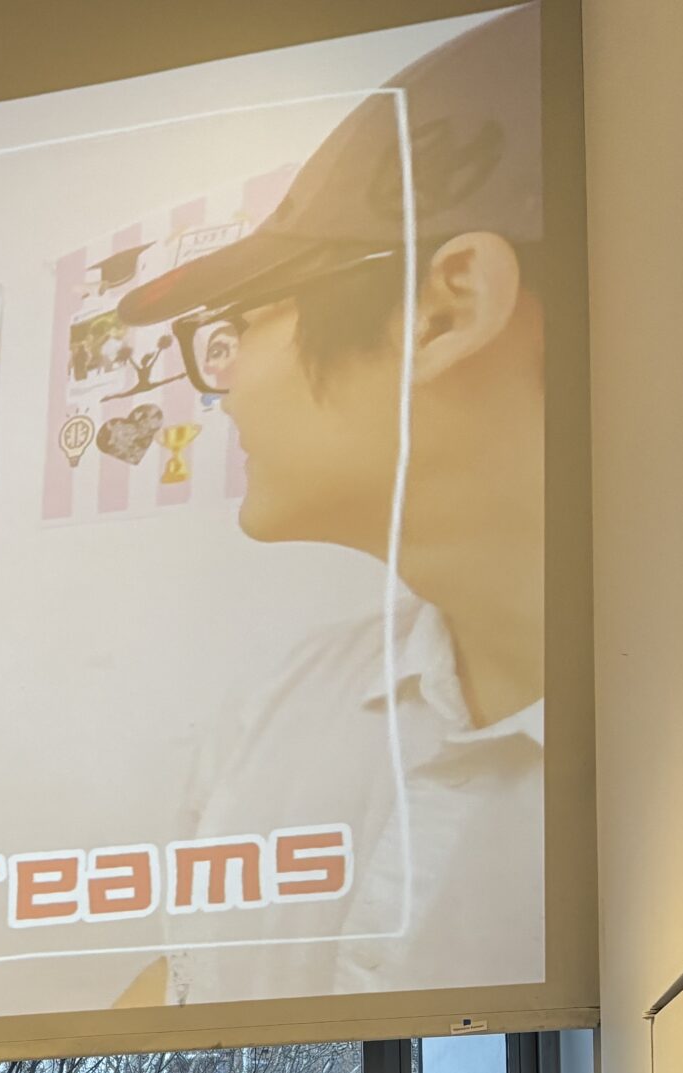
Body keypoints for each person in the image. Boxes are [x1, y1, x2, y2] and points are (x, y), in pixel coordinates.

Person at [118, 5, 543, 1004]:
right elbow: (180, 992)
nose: (220, 388)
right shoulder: (281, 706)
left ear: (444, 310)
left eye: (236, 326)